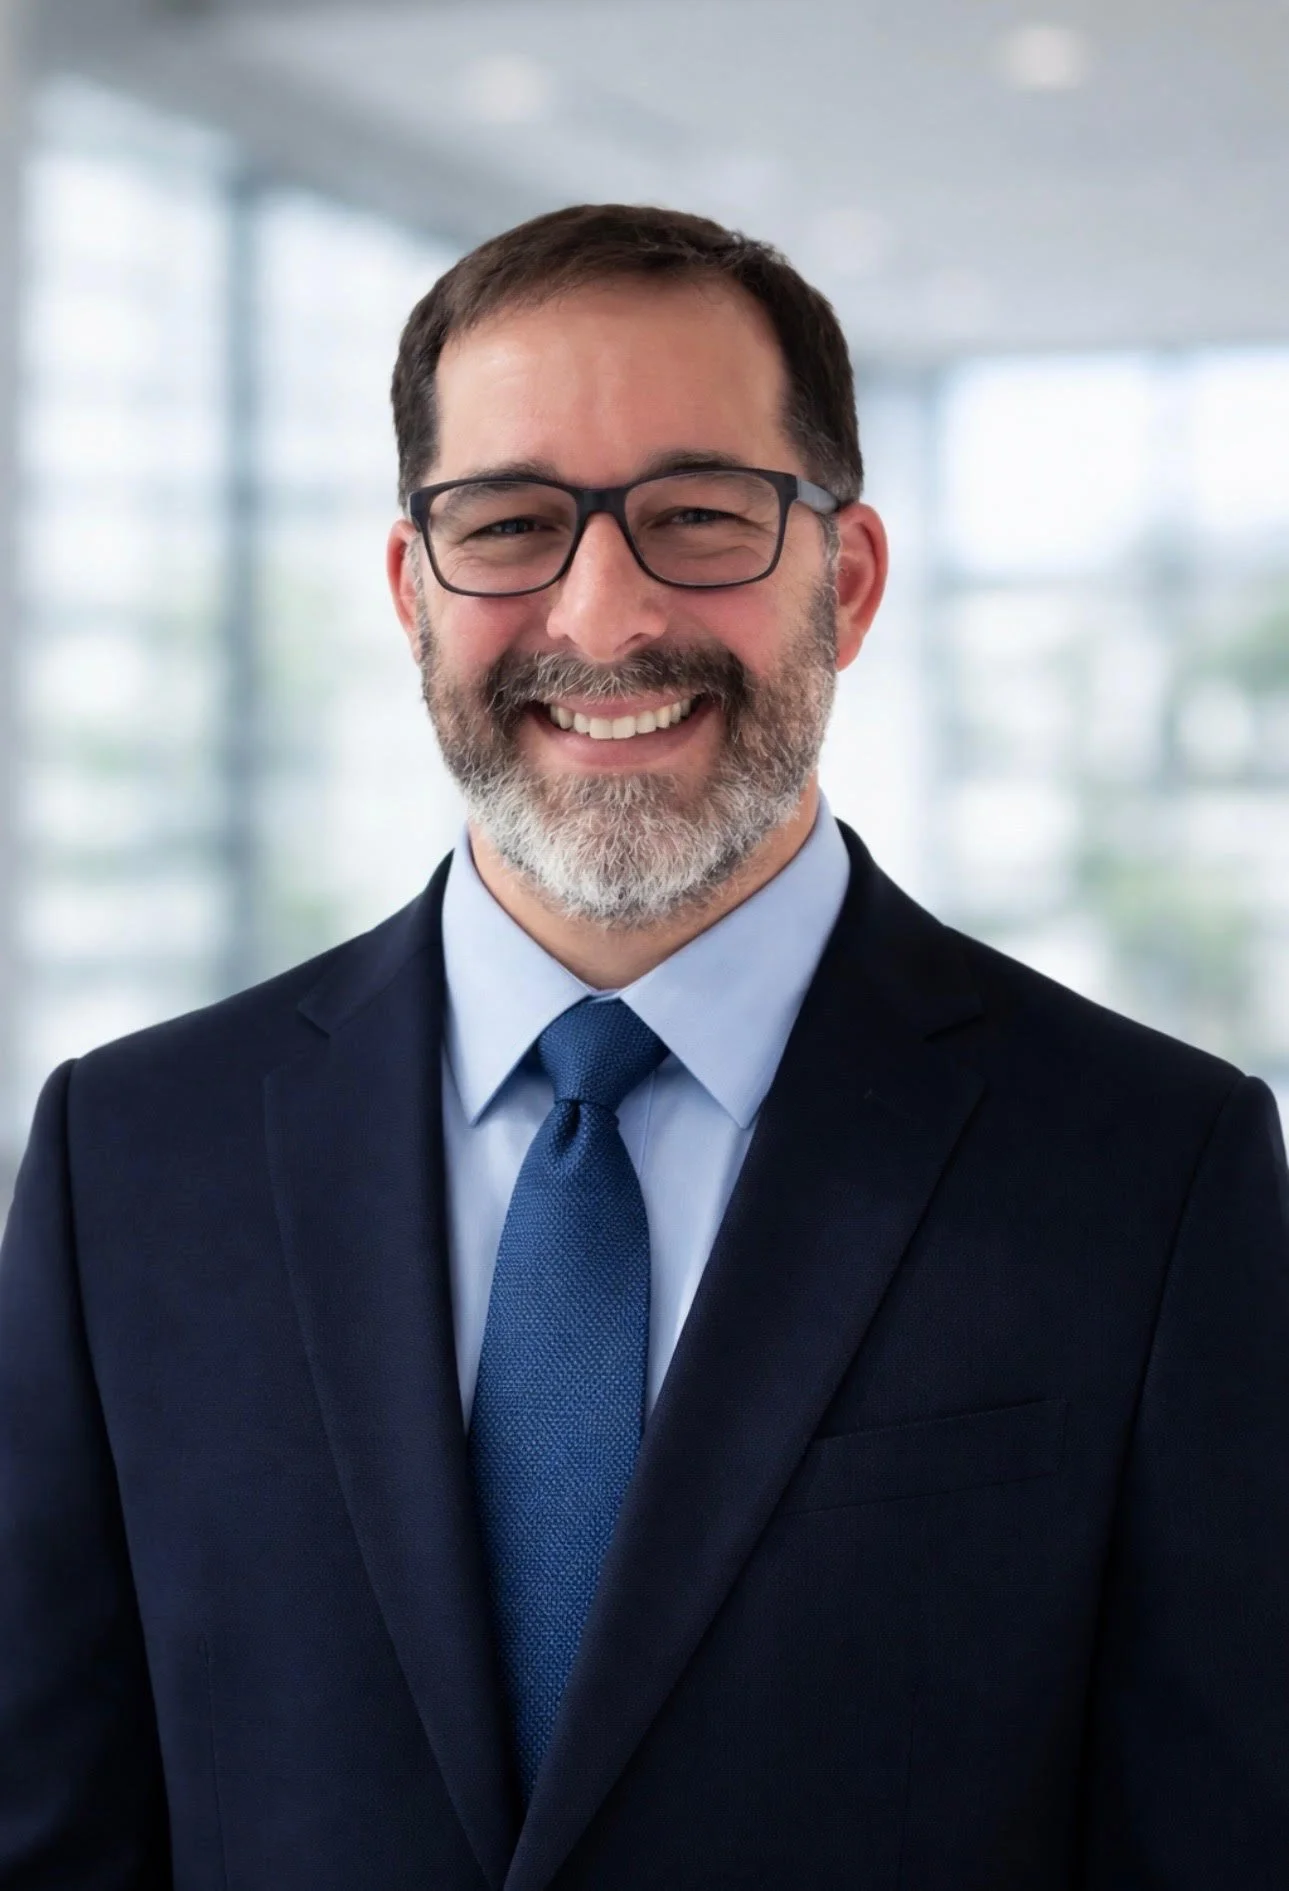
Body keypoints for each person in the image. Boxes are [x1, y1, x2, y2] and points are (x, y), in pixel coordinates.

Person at [1, 202, 1286, 1891]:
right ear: (411, 587)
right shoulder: (130, 1156)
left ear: (852, 574)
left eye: (698, 514)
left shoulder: (1155, 1164)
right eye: (512, 521)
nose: (603, 617)